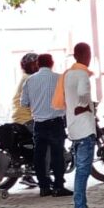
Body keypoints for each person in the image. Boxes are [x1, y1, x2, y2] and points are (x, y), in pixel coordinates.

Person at [60, 43, 102, 208]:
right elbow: (83, 93)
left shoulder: (68, 74)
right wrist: (85, 105)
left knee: (81, 169)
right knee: (83, 170)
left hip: (74, 125)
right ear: (86, 55)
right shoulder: (83, 74)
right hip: (85, 126)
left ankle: (82, 205)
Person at [21, 53, 70, 197]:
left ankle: (44, 187)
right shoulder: (60, 78)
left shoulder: (29, 81)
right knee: (57, 155)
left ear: (38, 64)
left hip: (39, 124)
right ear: (52, 63)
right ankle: (58, 186)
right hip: (56, 123)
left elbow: (24, 103)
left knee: (40, 157)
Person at [12, 52, 40, 188]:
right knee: (46, 138)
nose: (37, 66)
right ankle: (32, 173)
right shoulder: (30, 79)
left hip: (22, 117)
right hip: (26, 118)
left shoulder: (27, 78)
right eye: (34, 64)